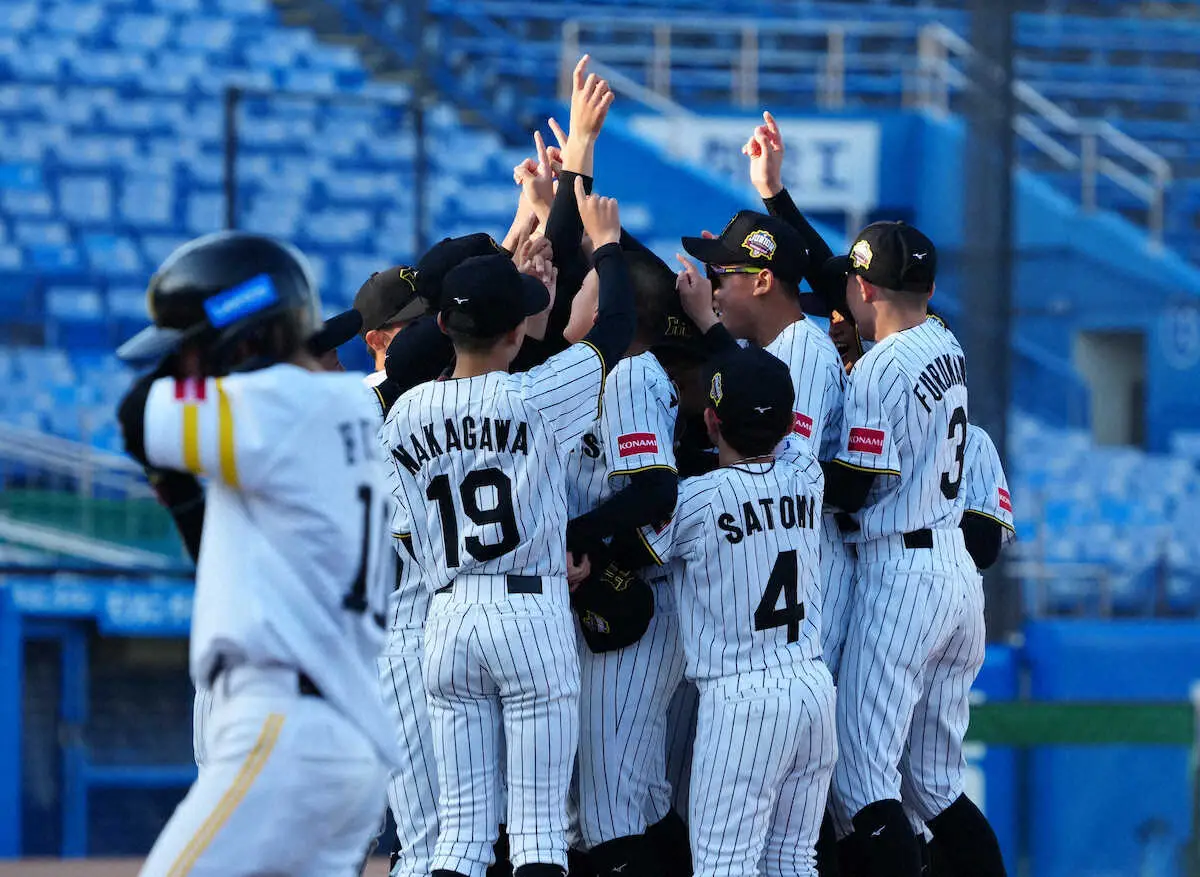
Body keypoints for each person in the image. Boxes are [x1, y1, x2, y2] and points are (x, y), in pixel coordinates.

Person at [116, 231, 399, 876]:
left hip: (284, 728)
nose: (190, 367)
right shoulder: (346, 405)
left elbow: (137, 413)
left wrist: (218, 328)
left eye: (193, 350)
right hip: (344, 735)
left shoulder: (274, 404)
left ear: (242, 340)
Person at [381, 171, 633, 877]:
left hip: (447, 615)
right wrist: (608, 249)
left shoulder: (404, 414)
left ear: (442, 326)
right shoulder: (536, 395)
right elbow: (614, 330)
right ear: (519, 330)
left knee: (459, 838)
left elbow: (407, 532)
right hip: (528, 610)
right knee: (538, 832)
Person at [819, 222, 1006, 877]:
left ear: (865, 288)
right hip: (955, 570)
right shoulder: (944, 343)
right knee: (934, 784)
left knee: (862, 781)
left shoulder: (881, 366)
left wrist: (789, 477)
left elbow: (855, 485)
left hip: (902, 573)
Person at [643, 347, 836, 877]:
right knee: (792, 861)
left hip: (743, 698)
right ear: (788, 423)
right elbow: (787, 438)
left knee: (723, 867)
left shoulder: (695, 500)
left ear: (711, 421)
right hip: (812, 687)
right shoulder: (807, 475)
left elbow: (635, 548)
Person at [561, 250, 687, 877]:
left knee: (609, 812)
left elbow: (656, 489)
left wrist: (583, 538)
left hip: (636, 604)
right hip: (620, 600)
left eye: (586, 289)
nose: (574, 300)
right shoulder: (602, 373)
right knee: (635, 801)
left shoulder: (630, 373)